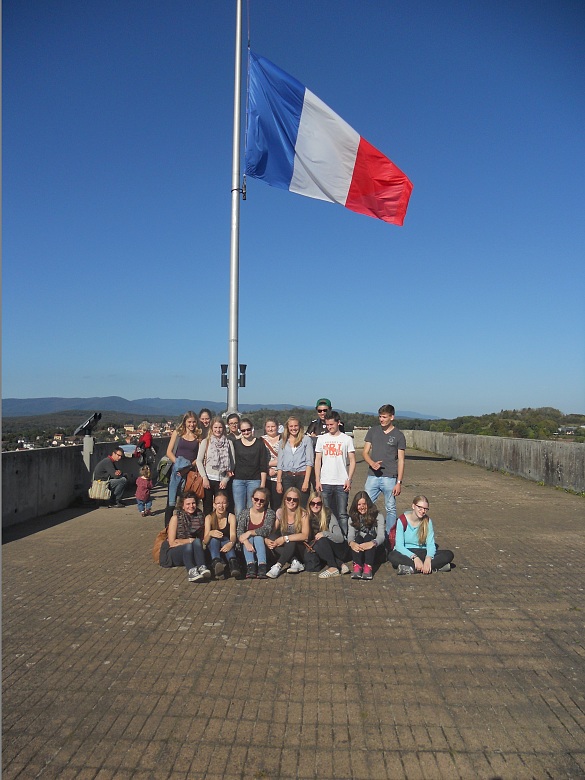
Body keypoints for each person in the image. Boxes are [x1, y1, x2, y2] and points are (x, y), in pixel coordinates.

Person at [363, 404, 406, 533]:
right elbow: (365, 452)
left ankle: (389, 536)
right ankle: (366, 531)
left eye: (384, 417)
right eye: (380, 417)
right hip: (373, 475)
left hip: (390, 477)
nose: (381, 419)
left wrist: (399, 482)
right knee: (365, 504)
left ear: (392, 417)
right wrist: (372, 463)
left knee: (391, 508)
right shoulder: (373, 431)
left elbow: (401, 460)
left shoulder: (398, 435)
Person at [388, 495, 454, 575]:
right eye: (420, 507)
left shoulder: (428, 521)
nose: (423, 511)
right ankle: (434, 567)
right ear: (413, 506)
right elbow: (399, 546)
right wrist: (414, 558)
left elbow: (430, 544)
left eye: (425, 509)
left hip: (422, 551)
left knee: (448, 554)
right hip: (406, 552)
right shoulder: (402, 520)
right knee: (392, 556)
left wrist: (428, 558)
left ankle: (412, 569)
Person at [314, 411, 356, 537]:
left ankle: (343, 538)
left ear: (338, 423)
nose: (329, 427)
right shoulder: (321, 439)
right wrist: (317, 479)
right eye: (327, 425)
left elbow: (353, 460)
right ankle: (327, 537)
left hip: (341, 482)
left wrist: (349, 479)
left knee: (342, 514)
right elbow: (317, 460)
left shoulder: (347, 439)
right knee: (326, 513)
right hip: (325, 481)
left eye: (331, 424)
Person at [265, 487, 310, 578]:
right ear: (285, 499)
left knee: (290, 537)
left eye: (295, 500)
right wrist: (266, 540)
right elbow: (272, 531)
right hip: (287, 548)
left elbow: (305, 536)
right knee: (272, 538)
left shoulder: (303, 514)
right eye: (289, 498)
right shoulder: (280, 512)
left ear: (298, 501)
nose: (291, 501)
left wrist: (284, 538)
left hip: (300, 547)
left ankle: (278, 566)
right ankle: (294, 561)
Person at [304, 491, 350, 578]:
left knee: (320, 541)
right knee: (311, 563)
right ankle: (340, 564)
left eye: (318, 503)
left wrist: (325, 533)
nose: (316, 506)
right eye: (312, 503)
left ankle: (333, 567)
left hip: (338, 547)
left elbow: (340, 538)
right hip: (319, 548)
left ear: (322, 504)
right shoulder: (306, 516)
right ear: (309, 504)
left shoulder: (328, 514)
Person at [167, 491, 211, 582]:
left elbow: (202, 539)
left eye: (193, 503)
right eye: (188, 504)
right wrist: (189, 541)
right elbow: (172, 542)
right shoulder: (175, 518)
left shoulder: (200, 515)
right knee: (190, 545)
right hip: (175, 552)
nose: (191, 506)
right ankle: (191, 571)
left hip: (194, 550)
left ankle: (202, 567)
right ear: (182, 505)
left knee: (197, 542)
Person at [196, 417, 236, 515]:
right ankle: (208, 528)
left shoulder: (229, 443)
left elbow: (232, 463)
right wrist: (204, 478)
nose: (218, 430)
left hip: (223, 481)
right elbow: (199, 461)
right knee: (208, 507)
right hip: (208, 480)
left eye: (220, 427)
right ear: (211, 428)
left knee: (223, 508)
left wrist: (226, 479)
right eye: (215, 427)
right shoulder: (206, 442)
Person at [166, 412, 201, 515]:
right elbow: (169, 452)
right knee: (170, 503)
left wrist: (188, 467)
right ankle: (168, 528)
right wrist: (178, 465)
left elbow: (199, 456)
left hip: (190, 472)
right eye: (189, 422)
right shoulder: (177, 434)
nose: (192, 424)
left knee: (186, 501)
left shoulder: (198, 436)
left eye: (194, 422)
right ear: (185, 422)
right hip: (176, 471)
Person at [231, 418, 268, 517]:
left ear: (252, 429)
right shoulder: (236, 444)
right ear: (240, 431)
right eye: (243, 430)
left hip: (254, 480)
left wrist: (262, 484)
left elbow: (263, 465)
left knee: (252, 508)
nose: (246, 432)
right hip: (238, 480)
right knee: (239, 509)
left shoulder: (260, 444)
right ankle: (239, 531)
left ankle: (250, 531)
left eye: (248, 429)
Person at [237, 486, 275, 579]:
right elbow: (240, 532)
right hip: (247, 546)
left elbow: (266, 530)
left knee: (258, 537)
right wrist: (246, 542)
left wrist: (250, 532)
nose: (258, 502)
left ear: (266, 501)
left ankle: (262, 565)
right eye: (256, 499)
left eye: (262, 500)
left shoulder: (270, 513)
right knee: (249, 538)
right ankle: (251, 566)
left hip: (264, 546)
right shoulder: (244, 513)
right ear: (252, 498)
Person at [275, 417, 314, 507]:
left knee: (303, 505)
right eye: (291, 426)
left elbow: (309, 462)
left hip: (302, 476)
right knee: (288, 504)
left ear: (299, 426)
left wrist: (306, 481)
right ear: (287, 428)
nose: (293, 428)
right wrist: (278, 482)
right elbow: (280, 463)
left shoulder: (306, 440)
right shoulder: (283, 441)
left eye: (296, 426)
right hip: (287, 477)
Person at [203, 491, 242, 579]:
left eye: (224, 503)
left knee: (226, 540)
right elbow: (205, 541)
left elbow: (233, 535)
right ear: (214, 505)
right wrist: (210, 533)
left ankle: (233, 564)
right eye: (218, 503)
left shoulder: (231, 516)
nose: (221, 506)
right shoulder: (209, 517)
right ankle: (217, 564)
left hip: (226, 546)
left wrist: (231, 543)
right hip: (213, 548)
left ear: (227, 504)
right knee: (214, 539)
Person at [347, 491, 385, 580]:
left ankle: (368, 567)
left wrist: (373, 543)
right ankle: (357, 566)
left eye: (364, 504)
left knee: (368, 537)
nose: (362, 507)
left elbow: (381, 536)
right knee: (358, 538)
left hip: (375, 550)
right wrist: (351, 543)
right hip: (360, 549)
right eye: (359, 504)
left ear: (368, 504)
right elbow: (350, 535)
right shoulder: (352, 518)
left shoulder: (378, 516)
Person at [262, 418, 282, 511]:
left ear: (278, 427)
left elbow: (286, 459)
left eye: (273, 426)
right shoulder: (261, 440)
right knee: (263, 504)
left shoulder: (284, 439)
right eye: (268, 427)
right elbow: (258, 459)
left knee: (277, 505)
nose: (270, 429)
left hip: (279, 477)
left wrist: (276, 471)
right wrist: (267, 468)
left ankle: (276, 525)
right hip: (265, 477)